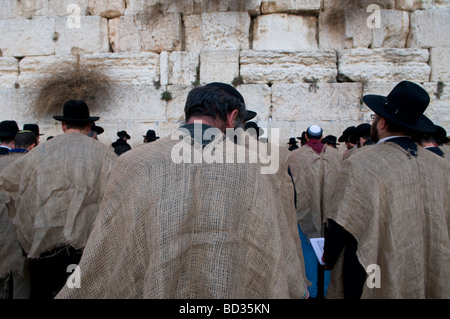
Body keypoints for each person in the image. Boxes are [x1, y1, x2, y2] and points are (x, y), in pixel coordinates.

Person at [55, 83, 309, 299]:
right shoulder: (254, 168)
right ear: (233, 118)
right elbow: (272, 249)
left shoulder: (134, 162)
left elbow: (108, 245)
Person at [323, 80, 450, 299]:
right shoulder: (441, 165)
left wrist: (328, 256)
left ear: (381, 123)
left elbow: (341, 222)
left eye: (374, 118)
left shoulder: (362, 162)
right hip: (427, 262)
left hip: (371, 270)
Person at [0, 100, 118, 299]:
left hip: (44, 247)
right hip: (89, 250)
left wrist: (25, 229)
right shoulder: (107, 156)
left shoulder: (40, 153)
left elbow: (9, 183)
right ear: (89, 126)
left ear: (63, 125)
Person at [287, 124, 342, 298]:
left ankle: (310, 292)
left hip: (303, 215)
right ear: (321, 137)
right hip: (333, 217)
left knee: (308, 254)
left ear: (305, 136)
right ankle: (326, 291)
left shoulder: (294, 157)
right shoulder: (337, 156)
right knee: (329, 253)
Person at [0, 130, 37, 299]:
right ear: (33, 145)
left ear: (14, 145)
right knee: (22, 286)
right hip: (22, 239)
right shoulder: (32, 166)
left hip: (2, 237)